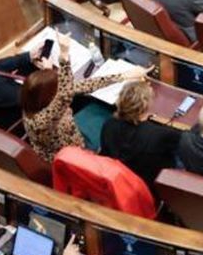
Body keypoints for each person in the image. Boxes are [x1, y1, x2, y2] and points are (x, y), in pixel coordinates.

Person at [22, 31, 142, 161]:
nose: (60, 86)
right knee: (117, 116)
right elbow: (66, 91)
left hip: (58, 142)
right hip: (75, 152)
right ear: (49, 95)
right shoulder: (48, 116)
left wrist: (49, 69)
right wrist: (64, 52)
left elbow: (70, 88)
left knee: (95, 106)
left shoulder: (31, 103)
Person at [100, 79, 183, 191]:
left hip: (118, 180)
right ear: (147, 104)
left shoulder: (109, 123)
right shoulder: (160, 134)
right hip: (147, 185)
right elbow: (186, 140)